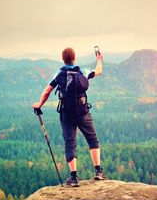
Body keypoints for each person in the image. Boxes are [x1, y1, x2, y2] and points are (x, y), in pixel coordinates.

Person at [32, 47, 106, 187]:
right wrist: (99, 59)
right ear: (74, 57)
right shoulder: (82, 71)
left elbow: (48, 90)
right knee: (92, 138)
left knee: (70, 142)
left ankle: (73, 177)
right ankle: (98, 171)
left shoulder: (59, 73)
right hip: (83, 112)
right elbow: (99, 71)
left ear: (63, 59)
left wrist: (39, 104)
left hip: (66, 114)